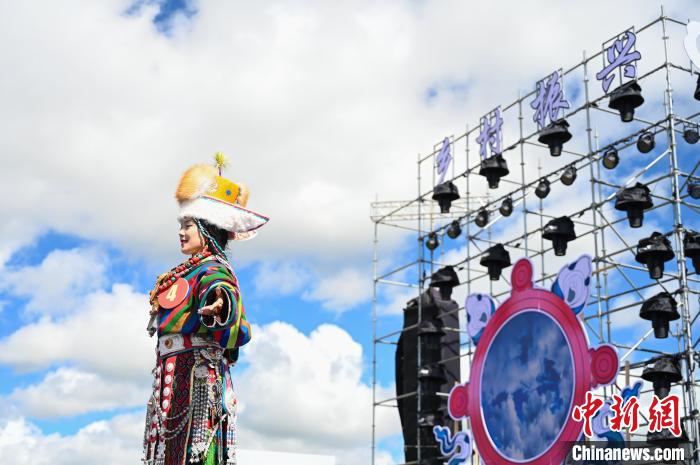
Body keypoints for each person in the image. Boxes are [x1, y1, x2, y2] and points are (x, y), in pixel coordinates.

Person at [142, 154, 269, 465]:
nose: (181, 232)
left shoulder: (212, 268)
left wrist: (219, 305)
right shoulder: (183, 272)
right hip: (171, 378)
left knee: (194, 451)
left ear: (208, 228)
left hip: (196, 377)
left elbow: (220, 290)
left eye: (188, 225)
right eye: (181, 225)